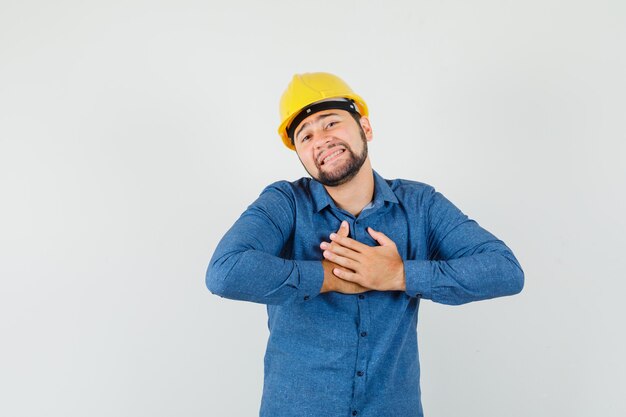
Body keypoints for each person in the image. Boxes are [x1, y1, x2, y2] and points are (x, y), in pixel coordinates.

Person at [206, 72, 524, 417]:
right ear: (300, 154)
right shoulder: (284, 203)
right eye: (306, 136)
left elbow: (504, 270)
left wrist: (397, 275)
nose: (321, 140)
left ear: (365, 129)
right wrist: (328, 277)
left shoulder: (420, 205)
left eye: (331, 124)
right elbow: (225, 272)